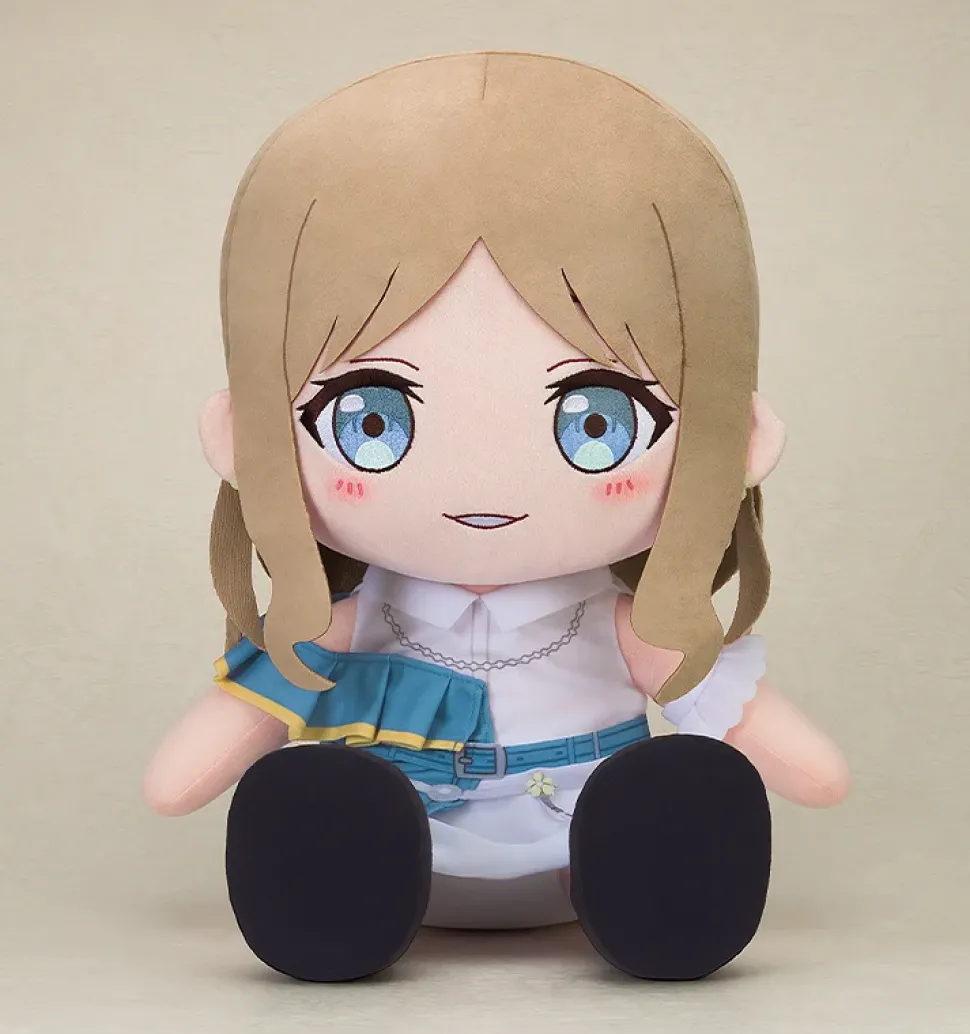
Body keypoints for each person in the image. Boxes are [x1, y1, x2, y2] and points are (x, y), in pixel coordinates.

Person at [145, 51, 850, 983]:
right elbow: (184, 778)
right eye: (370, 419)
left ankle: (660, 898)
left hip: (581, 859)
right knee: (321, 791)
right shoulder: (339, 623)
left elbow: (808, 770)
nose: (483, 479)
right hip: (399, 857)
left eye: (597, 421)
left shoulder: (631, 625)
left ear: (739, 438)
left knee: (680, 784)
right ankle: (335, 902)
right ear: (241, 437)